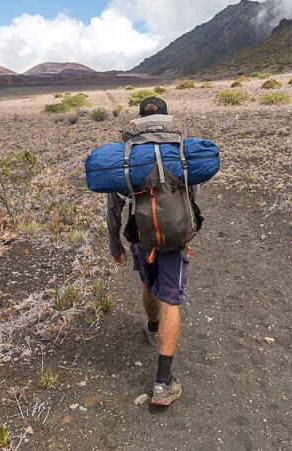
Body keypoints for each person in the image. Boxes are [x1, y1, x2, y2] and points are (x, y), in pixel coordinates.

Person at [106, 96, 193, 407]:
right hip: (175, 236)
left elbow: (114, 206)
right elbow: (193, 193)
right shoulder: (180, 148)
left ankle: (153, 328)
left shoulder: (127, 154)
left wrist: (115, 245)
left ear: (138, 120)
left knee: (148, 284)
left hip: (142, 235)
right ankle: (162, 383)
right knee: (172, 299)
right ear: (168, 118)